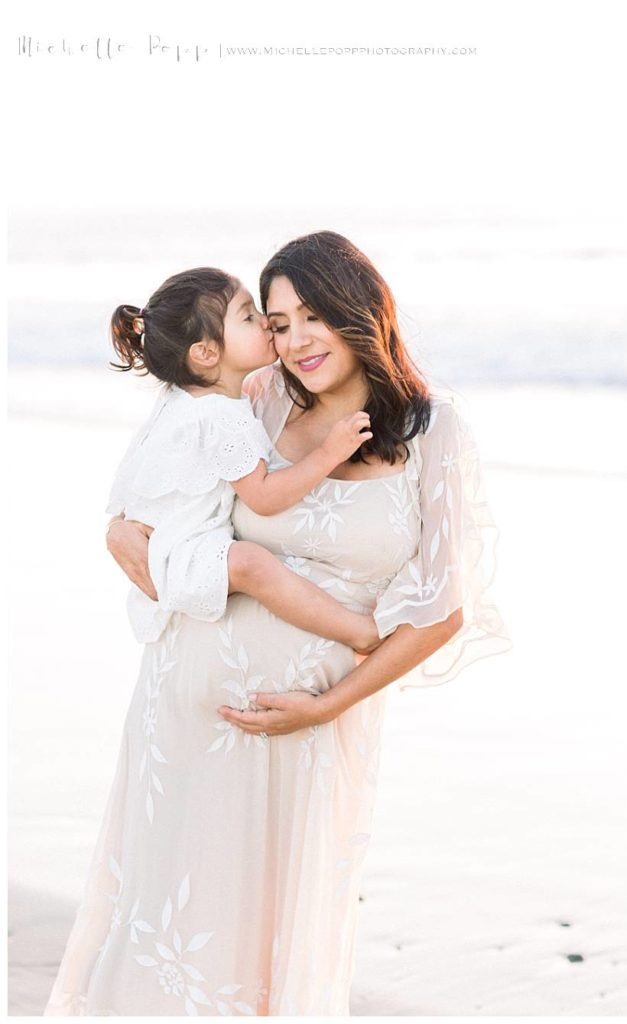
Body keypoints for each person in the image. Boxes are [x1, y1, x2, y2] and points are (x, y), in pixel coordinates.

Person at [44, 231, 511, 1016]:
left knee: (274, 945)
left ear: (358, 309)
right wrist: (119, 534)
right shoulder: (254, 400)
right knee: (173, 930)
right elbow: (156, 493)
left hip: (316, 731)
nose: (293, 341)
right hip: (189, 712)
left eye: (310, 317)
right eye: (278, 321)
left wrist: (330, 703)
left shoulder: (436, 432)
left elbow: (442, 611)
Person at [106, 266, 380, 653]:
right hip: (179, 556)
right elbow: (263, 497)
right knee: (251, 562)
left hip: (165, 549)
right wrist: (328, 453)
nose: (267, 323)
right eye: (249, 316)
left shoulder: (178, 400)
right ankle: (353, 631)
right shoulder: (224, 416)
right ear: (205, 353)